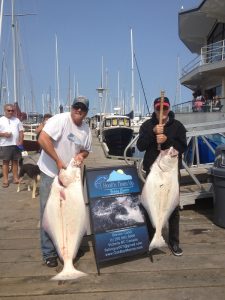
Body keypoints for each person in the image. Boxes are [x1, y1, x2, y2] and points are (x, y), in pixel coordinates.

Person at [37, 96, 92, 267]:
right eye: (76, 107)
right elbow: (42, 138)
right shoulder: (60, 120)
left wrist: (80, 155)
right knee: (49, 212)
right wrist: (58, 161)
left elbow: (86, 150)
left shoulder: (86, 130)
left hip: (70, 176)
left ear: (86, 112)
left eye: (82, 108)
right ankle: (49, 252)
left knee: (73, 212)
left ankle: (70, 246)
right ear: (71, 107)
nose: (79, 110)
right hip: (51, 173)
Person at [136, 96, 187, 256]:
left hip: (170, 173)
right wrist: (152, 133)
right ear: (154, 109)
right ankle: (151, 238)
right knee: (150, 205)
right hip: (152, 173)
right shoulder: (147, 125)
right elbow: (140, 146)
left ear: (169, 108)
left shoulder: (178, 126)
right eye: (159, 108)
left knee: (173, 208)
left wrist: (167, 139)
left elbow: (183, 146)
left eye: (165, 108)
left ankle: (174, 242)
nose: (162, 112)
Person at [0, 103, 24, 187]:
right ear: (5, 110)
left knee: (15, 162)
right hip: (5, 145)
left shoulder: (17, 120)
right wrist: (4, 134)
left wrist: (21, 141)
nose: (11, 112)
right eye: (9, 110)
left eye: (12, 110)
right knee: (5, 162)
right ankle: (5, 180)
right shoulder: (1, 120)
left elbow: (21, 131)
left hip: (16, 144)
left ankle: (15, 178)